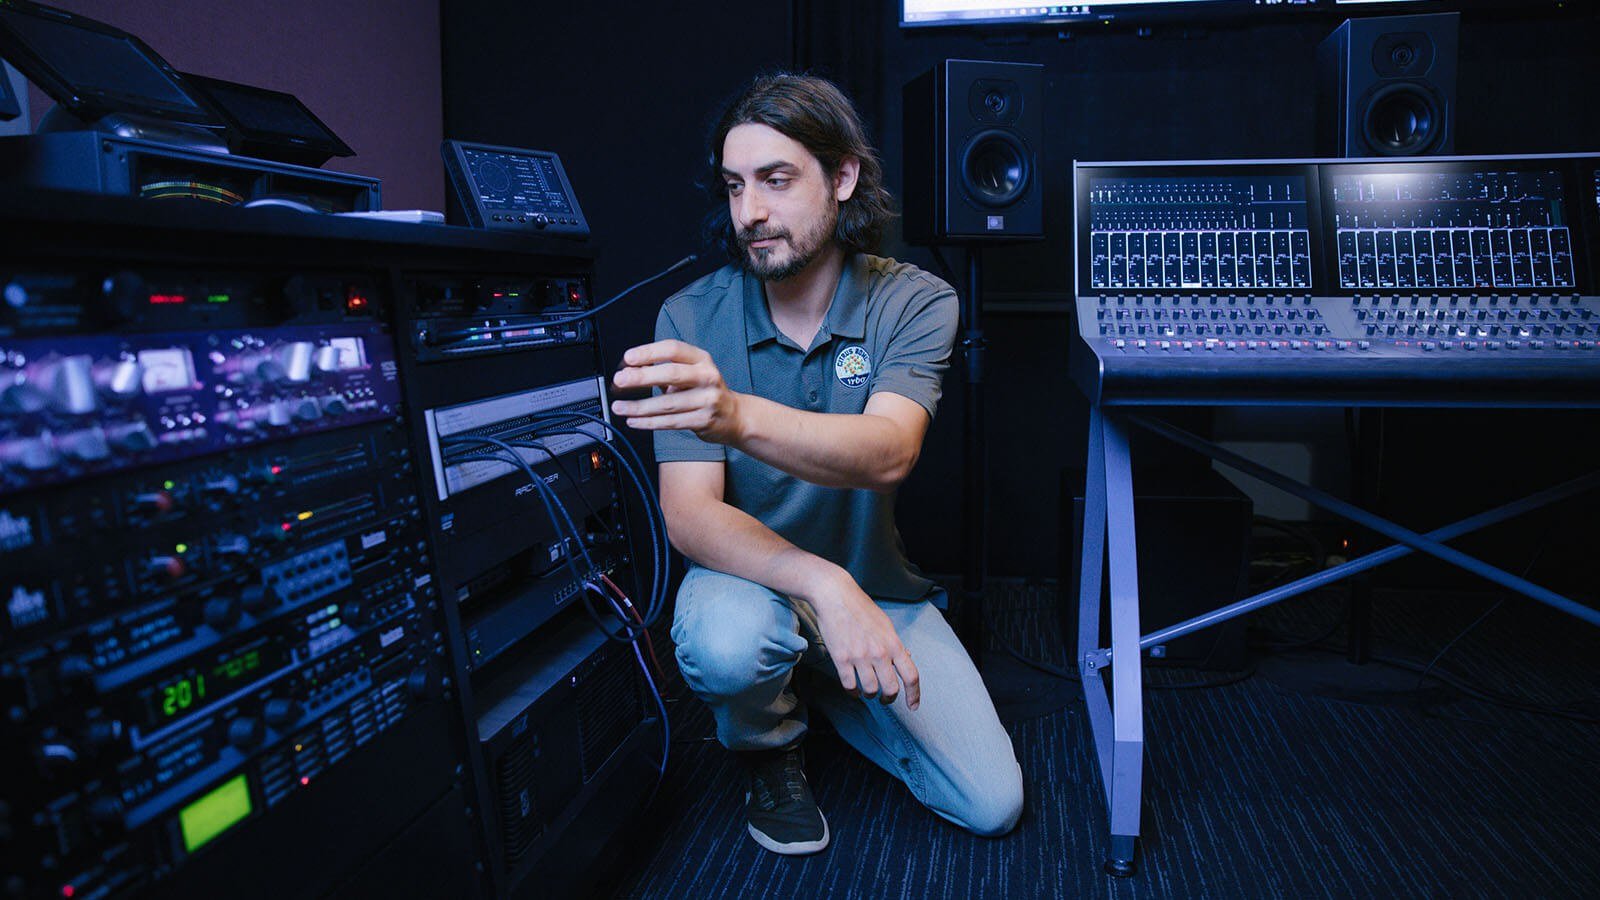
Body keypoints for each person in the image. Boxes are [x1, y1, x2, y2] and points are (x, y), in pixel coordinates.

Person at [610, 73, 1023, 855]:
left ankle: (823, 684)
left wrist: (734, 415)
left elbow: (889, 451)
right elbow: (690, 516)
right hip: (752, 584)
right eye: (735, 187)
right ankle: (769, 745)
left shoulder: (915, 301)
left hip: (879, 590)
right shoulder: (690, 316)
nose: (750, 213)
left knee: (991, 802)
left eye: (776, 180)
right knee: (729, 643)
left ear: (842, 178)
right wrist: (821, 583)